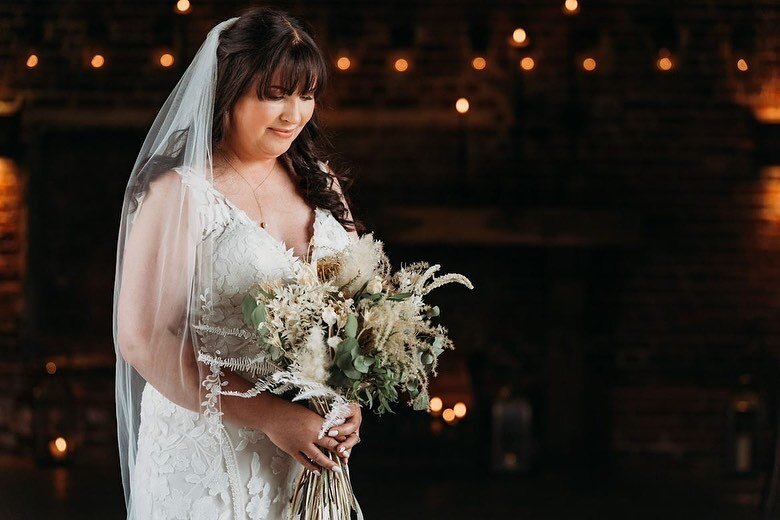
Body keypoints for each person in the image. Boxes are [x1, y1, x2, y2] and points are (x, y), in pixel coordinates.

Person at [112, 7, 365, 518]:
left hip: (310, 458)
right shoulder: (179, 193)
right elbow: (140, 338)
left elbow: (355, 311)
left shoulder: (321, 182)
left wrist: (348, 398)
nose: (293, 114)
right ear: (228, 91)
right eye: (273, 95)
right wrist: (269, 414)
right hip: (210, 461)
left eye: (306, 94)